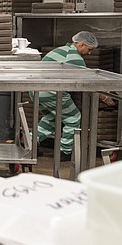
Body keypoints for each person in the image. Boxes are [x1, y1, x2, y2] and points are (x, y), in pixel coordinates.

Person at [34, 31, 115, 161]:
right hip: (50, 91)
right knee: (73, 118)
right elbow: (86, 82)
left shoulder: (62, 50)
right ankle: (65, 153)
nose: (90, 53)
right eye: (89, 50)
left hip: (37, 90)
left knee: (52, 118)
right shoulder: (73, 56)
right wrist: (104, 97)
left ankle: (30, 142)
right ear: (81, 45)